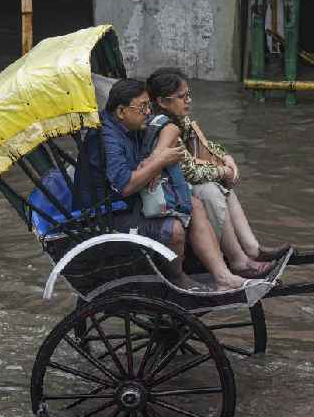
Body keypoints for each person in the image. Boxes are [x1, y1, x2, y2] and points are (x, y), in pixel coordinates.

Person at [74, 78, 248, 292]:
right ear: (121, 111)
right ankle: (177, 277)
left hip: (128, 203)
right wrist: (159, 163)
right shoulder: (106, 137)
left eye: (149, 105)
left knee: (194, 204)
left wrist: (156, 155)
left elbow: (169, 127)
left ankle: (222, 276)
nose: (148, 112)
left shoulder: (132, 123)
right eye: (143, 107)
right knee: (174, 229)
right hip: (107, 214)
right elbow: (126, 186)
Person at [145, 67, 289, 278]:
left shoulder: (180, 120)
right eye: (182, 97)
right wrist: (224, 171)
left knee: (222, 187)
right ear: (162, 102)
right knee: (211, 189)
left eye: (188, 95)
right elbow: (190, 172)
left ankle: (252, 249)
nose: (188, 101)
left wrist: (226, 158)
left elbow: (207, 144)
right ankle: (238, 261)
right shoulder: (163, 127)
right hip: (166, 190)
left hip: (179, 184)